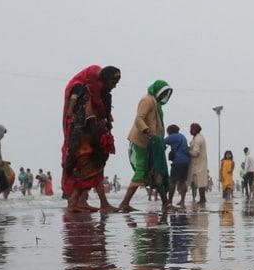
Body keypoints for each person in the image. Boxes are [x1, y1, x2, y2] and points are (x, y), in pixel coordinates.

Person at [60, 65, 121, 203]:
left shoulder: (102, 93)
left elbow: (103, 113)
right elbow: (82, 115)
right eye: (113, 82)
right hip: (84, 137)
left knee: (94, 169)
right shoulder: (85, 90)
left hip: (92, 136)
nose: (115, 86)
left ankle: (82, 202)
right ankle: (77, 203)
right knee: (87, 170)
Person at [118, 80, 172, 212]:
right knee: (142, 171)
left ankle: (166, 203)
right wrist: (147, 131)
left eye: (166, 93)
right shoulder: (147, 100)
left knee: (156, 170)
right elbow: (139, 118)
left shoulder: (157, 104)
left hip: (153, 144)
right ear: (157, 90)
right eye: (163, 92)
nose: (164, 95)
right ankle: (124, 203)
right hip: (141, 141)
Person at [164, 124, 191, 207]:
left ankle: (170, 201)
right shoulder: (182, 137)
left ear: (170, 131)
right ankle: (182, 201)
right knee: (182, 182)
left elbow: (162, 142)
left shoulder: (173, 136)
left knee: (172, 182)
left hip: (177, 162)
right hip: (186, 161)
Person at [188, 123, 210, 204]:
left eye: (191, 129)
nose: (190, 131)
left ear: (194, 130)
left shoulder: (198, 139)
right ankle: (200, 198)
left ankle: (202, 199)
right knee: (198, 182)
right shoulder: (197, 137)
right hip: (198, 163)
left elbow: (195, 153)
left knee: (199, 182)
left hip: (198, 164)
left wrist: (187, 151)